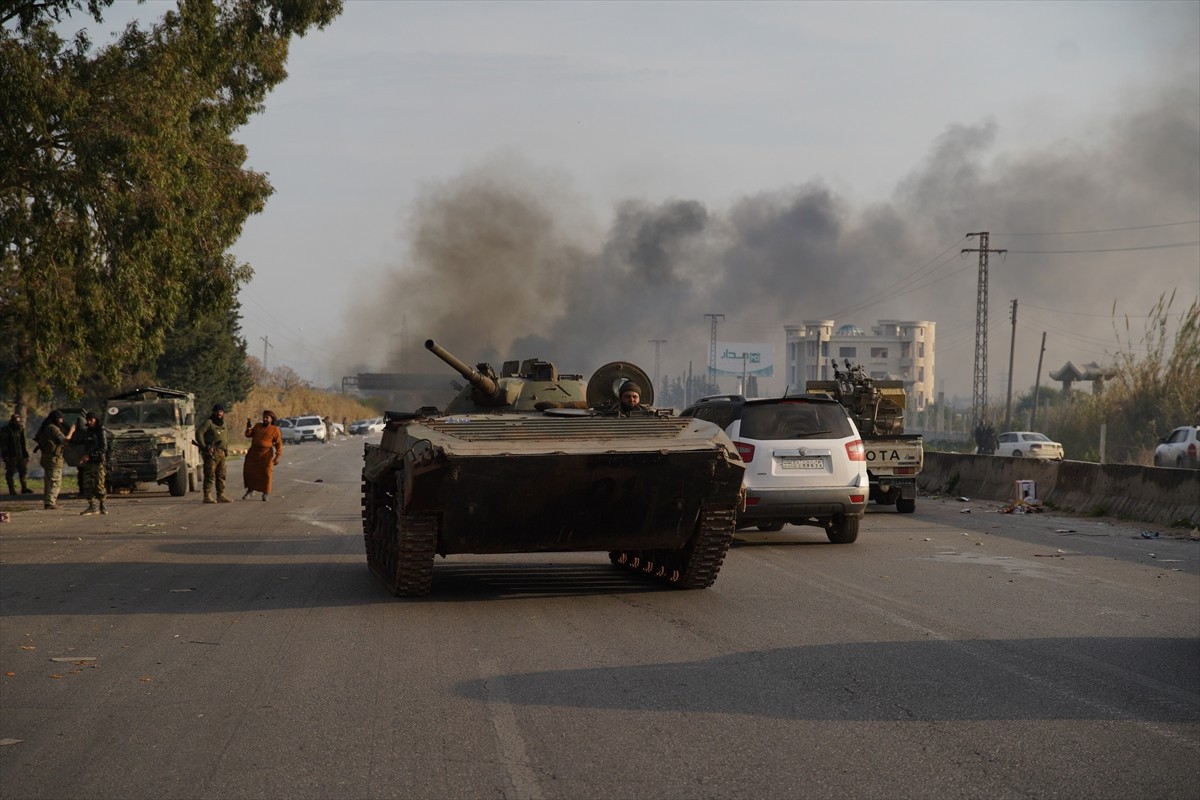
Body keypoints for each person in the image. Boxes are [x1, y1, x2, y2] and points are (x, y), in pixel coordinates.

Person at [34, 409, 74, 509]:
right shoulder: (53, 429)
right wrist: (72, 431)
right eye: (60, 419)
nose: (62, 421)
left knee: (49, 481)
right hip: (54, 459)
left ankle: (49, 501)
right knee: (55, 481)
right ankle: (50, 503)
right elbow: (64, 441)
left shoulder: (45, 427)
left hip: (47, 458)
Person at [75, 412, 112, 515]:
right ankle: (92, 506)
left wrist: (90, 455)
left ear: (96, 419)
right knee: (87, 484)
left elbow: (103, 448)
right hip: (89, 462)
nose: (89, 422)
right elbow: (85, 442)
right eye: (88, 420)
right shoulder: (88, 431)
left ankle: (102, 504)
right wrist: (70, 441)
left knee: (99, 485)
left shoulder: (101, 431)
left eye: (91, 420)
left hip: (98, 462)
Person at [195, 403, 232, 503]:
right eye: (217, 411)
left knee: (221, 475)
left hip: (222, 452)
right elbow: (199, 433)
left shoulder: (223, 424)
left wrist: (226, 449)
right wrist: (204, 446)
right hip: (211, 452)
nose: (219, 413)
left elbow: (226, 437)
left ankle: (221, 495)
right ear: (214, 412)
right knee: (210, 474)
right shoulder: (209, 422)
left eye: (221, 411)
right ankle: (207, 496)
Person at [242, 410, 283, 501]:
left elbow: (279, 444)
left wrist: (277, 456)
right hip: (253, 454)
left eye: (267, 418)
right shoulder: (258, 426)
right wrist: (248, 428)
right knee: (249, 472)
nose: (265, 419)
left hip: (265, 455)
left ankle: (266, 493)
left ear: (271, 419)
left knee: (266, 474)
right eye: (264, 417)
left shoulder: (275, 430)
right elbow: (248, 435)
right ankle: (250, 491)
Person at [1, 412, 34, 495]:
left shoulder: (20, 429)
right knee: (10, 472)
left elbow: (23, 443)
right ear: (12, 421)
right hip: (11, 455)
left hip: (20, 454)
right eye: (16, 421)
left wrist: (25, 454)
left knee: (23, 471)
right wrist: (4, 455)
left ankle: (24, 488)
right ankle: (11, 489)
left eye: (18, 421)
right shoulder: (5, 430)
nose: (17, 423)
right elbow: (3, 444)